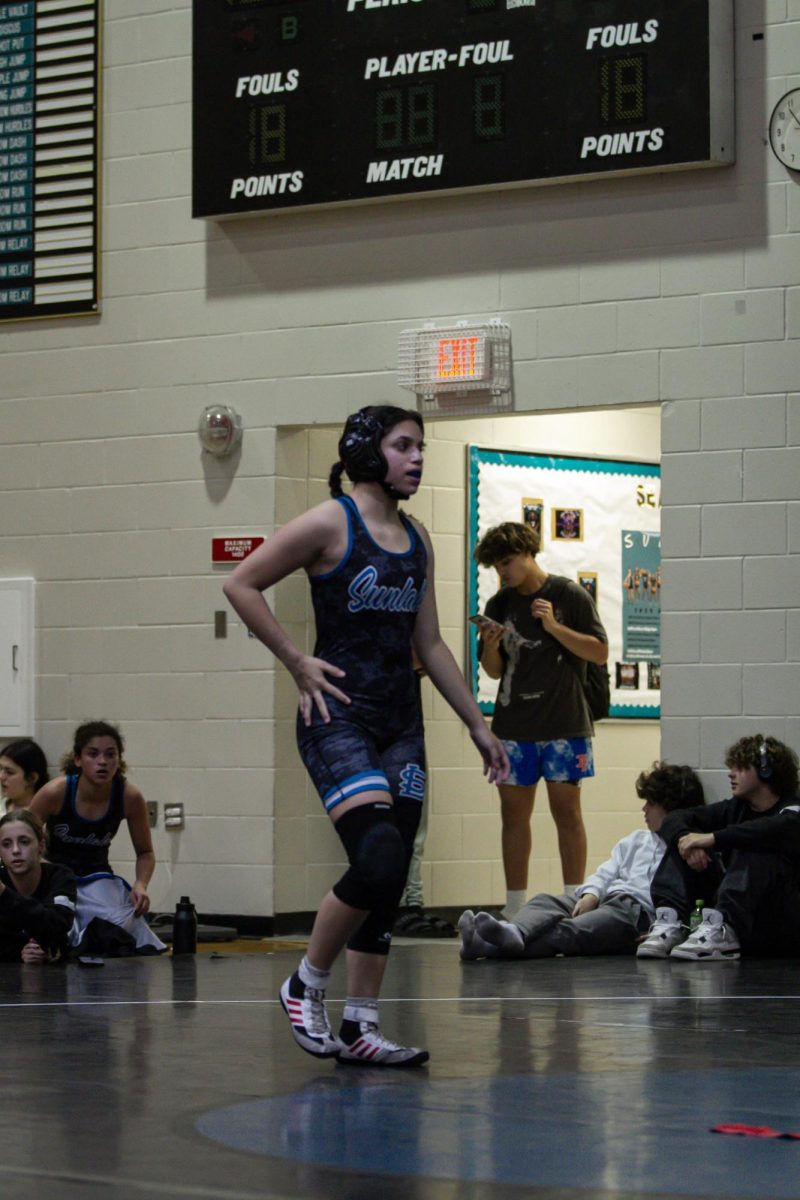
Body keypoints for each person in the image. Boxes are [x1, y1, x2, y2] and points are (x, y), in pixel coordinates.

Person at [223, 405, 508, 1067]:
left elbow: (430, 643)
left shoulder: (417, 538)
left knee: (390, 874)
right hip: (339, 716)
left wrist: (476, 723)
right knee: (377, 857)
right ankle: (306, 983)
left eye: (421, 447)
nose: (416, 458)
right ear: (366, 451)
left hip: (400, 722)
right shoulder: (331, 521)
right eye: (404, 446)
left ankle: (360, 1026)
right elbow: (241, 582)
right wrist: (296, 660)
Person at [473, 521, 608, 918]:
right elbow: (494, 672)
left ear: (529, 553)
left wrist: (553, 627)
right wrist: (492, 647)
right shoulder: (499, 604)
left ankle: (573, 899)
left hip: (564, 721)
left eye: (508, 563)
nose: (504, 573)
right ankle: (515, 905)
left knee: (567, 812)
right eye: (497, 567)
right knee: (513, 815)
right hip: (515, 724)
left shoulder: (567, 594)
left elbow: (599, 652)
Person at [458, 762, 702, 960]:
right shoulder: (636, 840)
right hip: (605, 897)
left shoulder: (686, 849)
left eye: (651, 803)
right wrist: (592, 894)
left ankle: (484, 947)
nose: (644, 809)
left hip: (633, 913)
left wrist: (667, 929)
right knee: (545, 901)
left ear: (671, 808)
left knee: (568, 931)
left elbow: (691, 898)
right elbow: (606, 872)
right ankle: (515, 931)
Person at [639, 735, 800, 961]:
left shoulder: (793, 809)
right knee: (683, 843)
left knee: (756, 845)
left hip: (780, 922)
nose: (731, 773)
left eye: (741, 767)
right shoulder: (736, 808)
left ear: (766, 772)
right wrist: (687, 840)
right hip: (742, 917)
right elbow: (675, 817)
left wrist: (711, 838)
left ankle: (724, 927)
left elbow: (769, 829)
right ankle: (673, 922)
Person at [30, 722, 166, 956]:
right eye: (93, 754)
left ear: (119, 761)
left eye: (110, 754)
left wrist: (141, 884)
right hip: (56, 876)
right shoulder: (55, 792)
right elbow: (22, 834)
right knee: (58, 927)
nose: (102, 761)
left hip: (97, 878)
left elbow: (145, 852)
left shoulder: (129, 797)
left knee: (125, 925)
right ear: (78, 759)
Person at [0, 808, 76, 963]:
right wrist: (19, 952)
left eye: (24, 842)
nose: (15, 850)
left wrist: (4, 894)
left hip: (56, 977)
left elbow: (58, 924)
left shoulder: (60, 877)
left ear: (41, 845)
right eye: (6, 844)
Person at [0, 738, 50, 811]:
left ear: (31, 778)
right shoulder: (2, 806)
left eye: (10, 772)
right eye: (0, 769)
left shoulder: (46, 815)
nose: (1, 776)